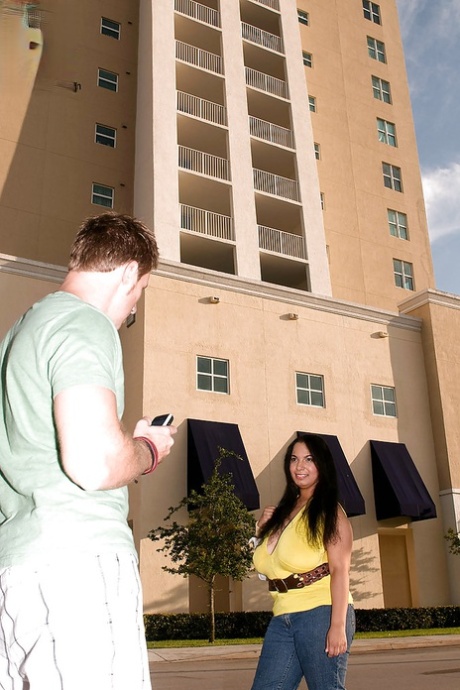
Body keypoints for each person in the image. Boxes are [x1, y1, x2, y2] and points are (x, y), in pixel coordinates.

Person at [0, 212, 176, 690]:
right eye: (139, 294)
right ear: (126, 273)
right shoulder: (85, 323)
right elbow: (96, 463)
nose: (129, 312)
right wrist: (147, 449)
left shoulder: (20, 335)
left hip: (20, 568)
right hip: (77, 568)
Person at [250, 433, 354, 690]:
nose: (300, 466)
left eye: (309, 459)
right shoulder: (283, 511)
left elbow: (340, 569)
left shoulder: (329, 511)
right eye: (294, 459)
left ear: (322, 464)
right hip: (282, 616)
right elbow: (262, 567)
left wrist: (337, 626)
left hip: (320, 613)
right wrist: (259, 530)